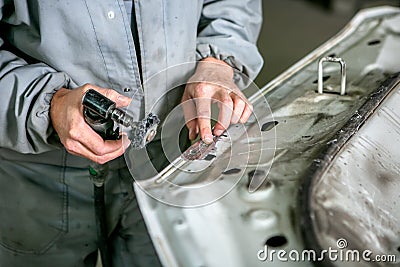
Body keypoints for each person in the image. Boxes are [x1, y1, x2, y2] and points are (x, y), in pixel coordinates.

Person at [0, 0, 263, 266]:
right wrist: (47, 103)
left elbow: (233, 5)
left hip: (167, 159)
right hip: (40, 173)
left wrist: (218, 60)